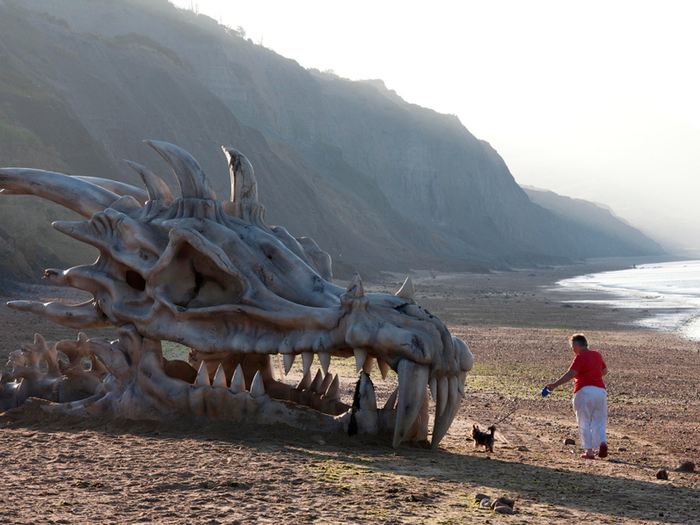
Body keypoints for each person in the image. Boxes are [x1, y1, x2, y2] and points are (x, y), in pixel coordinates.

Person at [546, 334, 608, 459]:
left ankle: (589, 452)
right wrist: (593, 375)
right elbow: (605, 371)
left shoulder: (580, 357)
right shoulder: (597, 354)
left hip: (584, 391)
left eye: (572, 347)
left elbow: (571, 374)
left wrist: (554, 385)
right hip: (600, 392)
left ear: (577, 345)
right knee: (599, 421)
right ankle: (602, 442)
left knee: (583, 421)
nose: (572, 350)